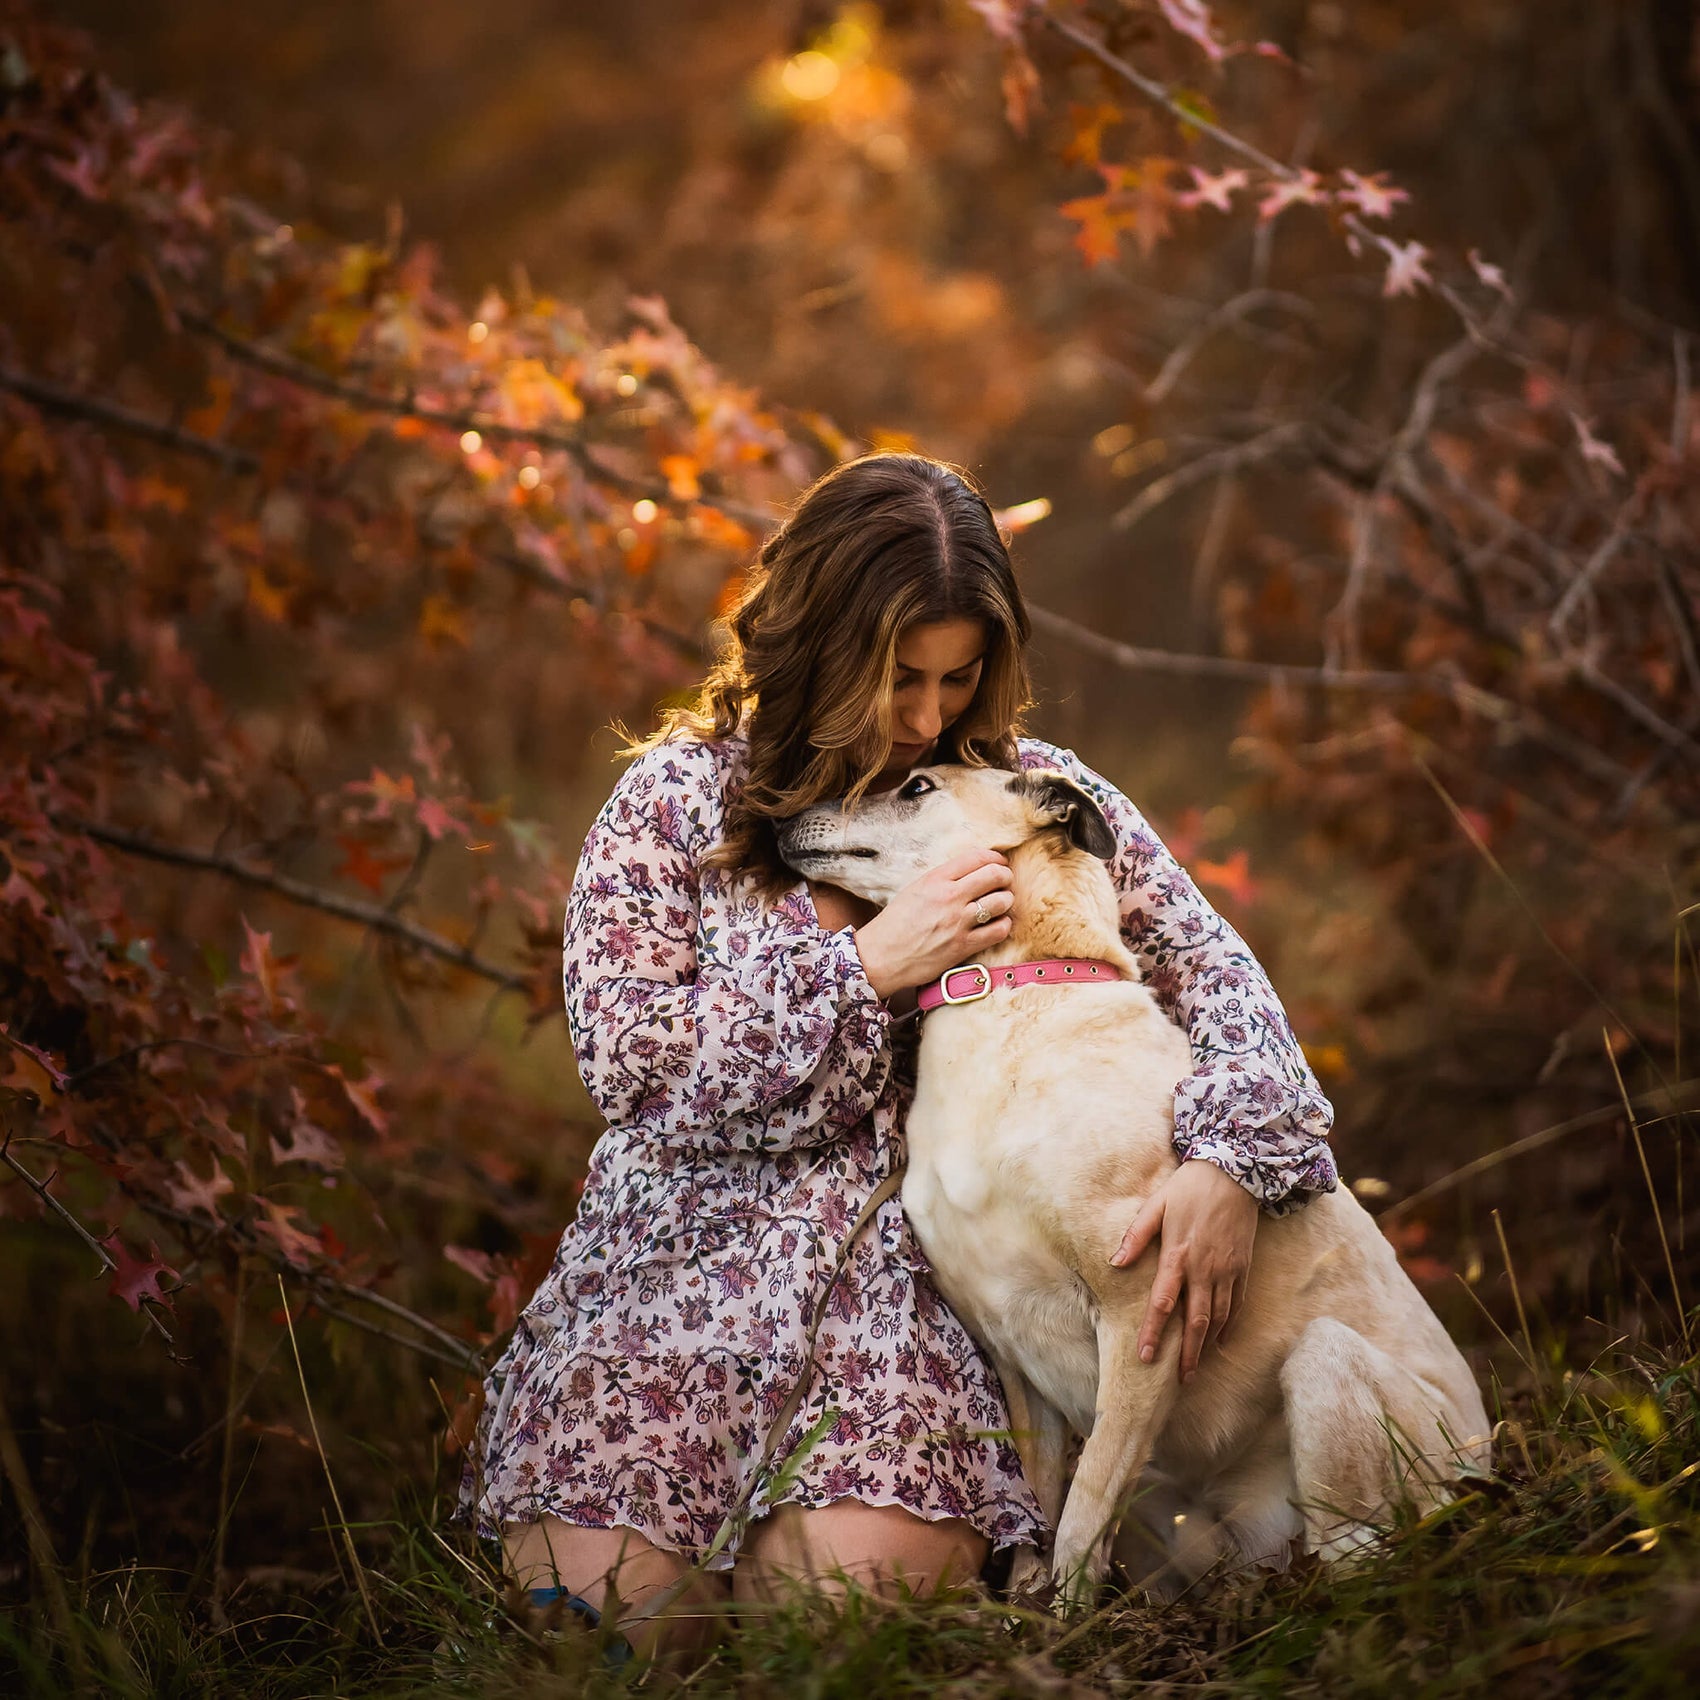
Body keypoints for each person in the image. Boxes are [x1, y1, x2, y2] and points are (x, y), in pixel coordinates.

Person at [459, 451, 1335, 1657]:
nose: (926, 717)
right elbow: (631, 1063)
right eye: (896, 679)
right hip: (681, 1269)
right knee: (599, 1629)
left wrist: (1227, 1160)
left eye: (956, 677)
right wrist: (865, 968)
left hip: (919, 1277)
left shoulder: (1028, 799)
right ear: (811, 644)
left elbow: (1226, 985)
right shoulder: (672, 804)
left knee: (858, 1622)